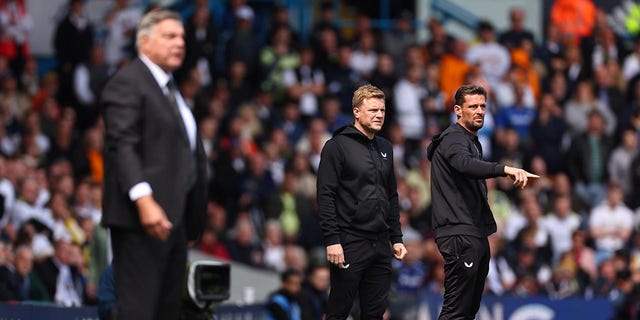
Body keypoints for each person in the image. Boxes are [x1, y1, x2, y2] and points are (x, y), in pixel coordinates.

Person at [101, 9, 207, 320]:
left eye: (182, 37)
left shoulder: (171, 90)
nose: (180, 43)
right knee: (139, 311)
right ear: (144, 42)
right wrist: (144, 199)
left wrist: (191, 218)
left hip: (175, 221)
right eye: (170, 36)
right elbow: (122, 145)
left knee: (167, 312)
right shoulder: (129, 81)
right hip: (141, 220)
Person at [426, 84, 538, 319]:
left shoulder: (470, 141)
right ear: (458, 110)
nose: (479, 111)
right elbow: (464, 164)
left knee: (468, 310)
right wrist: (504, 168)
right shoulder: (454, 138)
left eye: (483, 106)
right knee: (456, 310)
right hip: (459, 234)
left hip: (473, 232)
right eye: (473, 106)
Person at [317, 84, 407, 319]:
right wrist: (332, 240)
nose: (379, 115)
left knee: (375, 313)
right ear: (356, 112)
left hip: (380, 242)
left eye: (383, 110)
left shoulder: (385, 147)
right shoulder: (336, 146)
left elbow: (391, 194)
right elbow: (325, 195)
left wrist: (396, 238)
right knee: (339, 310)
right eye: (373, 110)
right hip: (350, 241)